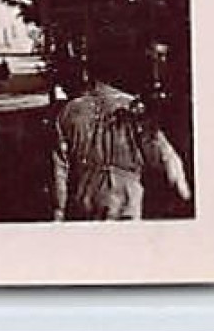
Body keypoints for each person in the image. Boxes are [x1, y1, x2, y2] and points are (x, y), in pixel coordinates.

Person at [51, 45, 191, 221]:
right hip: (126, 201)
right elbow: (164, 157)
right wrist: (182, 193)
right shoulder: (136, 111)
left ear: (89, 74)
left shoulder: (69, 111)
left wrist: (59, 210)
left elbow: (59, 169)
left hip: (85, 201)